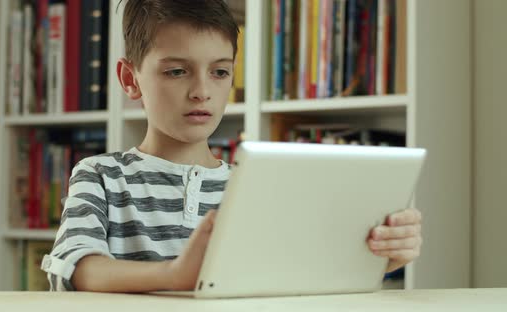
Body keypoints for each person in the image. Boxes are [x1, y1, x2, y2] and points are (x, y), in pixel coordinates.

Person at [41, 0, 423, 292]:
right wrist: (175, 275)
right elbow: (75, 268)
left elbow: (295, 274)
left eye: (220, 72)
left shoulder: (257, 188)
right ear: (130, 78)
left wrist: (380, 254)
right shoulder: (100, 176)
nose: (201, 92)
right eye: (177, 71)